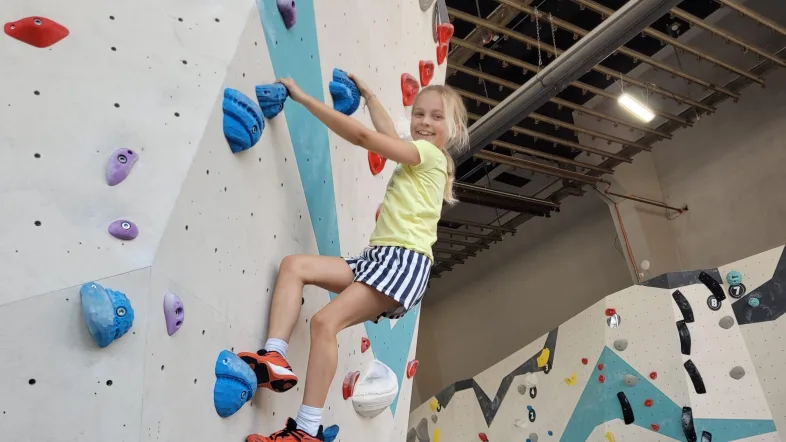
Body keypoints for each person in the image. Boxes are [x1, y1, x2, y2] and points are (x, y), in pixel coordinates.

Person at [241, 73, 469, 442]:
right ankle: (274, 356)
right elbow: (390, 137)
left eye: (436, 117)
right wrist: (370, 95)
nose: (425, 123)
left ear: (454, 128)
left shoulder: (428, 155)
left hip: (402, 263)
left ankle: (306, 430)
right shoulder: (419, 156)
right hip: (379, 260)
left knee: (323, 322)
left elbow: (366, 138)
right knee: (294, 266)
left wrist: (305, 99)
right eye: (419, 114)